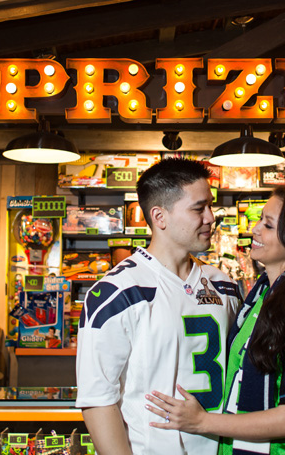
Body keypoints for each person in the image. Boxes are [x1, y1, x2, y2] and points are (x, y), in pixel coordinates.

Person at [145, 185, 285, 455]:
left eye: (269, 225)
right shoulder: (261, 297)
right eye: (260, 219)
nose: (256, 229)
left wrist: (202, 422)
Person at [76, 157, 242, 455]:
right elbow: (98, 399)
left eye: (210, 206)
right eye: (198, 208)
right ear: (159, 216)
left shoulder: (223, 284)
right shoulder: (117, 291)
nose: (211, 217)